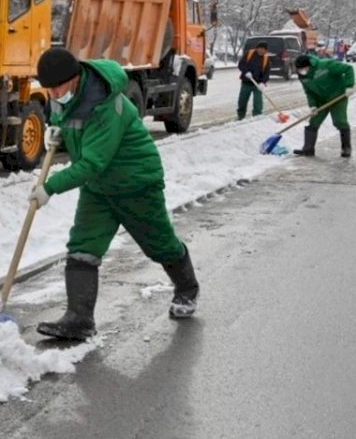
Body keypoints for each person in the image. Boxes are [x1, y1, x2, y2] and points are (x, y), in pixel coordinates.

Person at [29, 47, 200, 341]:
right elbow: (73, 127)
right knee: (83, 245)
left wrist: (50, 188)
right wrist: (57, 131)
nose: (54, 94)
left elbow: (92, 162)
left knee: (159, 245)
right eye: (49, 89)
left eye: (58, 86)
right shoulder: (65, 95)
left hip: (136, 184)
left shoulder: (106, 106)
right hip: (99, 189)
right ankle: (79, 319)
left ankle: (187, 289)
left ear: (75, 78)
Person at [293, 54, 355, 158]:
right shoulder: (303, 78)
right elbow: (309, 92)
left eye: (303, 68)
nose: (301, 71)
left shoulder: (326, 65)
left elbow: (348, 68)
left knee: (340, 121)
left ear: (310, 65)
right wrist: (312, 105)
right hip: (321, 100)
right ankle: (308, 149)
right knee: (313, 122)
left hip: (338, 96)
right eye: (299, 69)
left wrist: (349, 85)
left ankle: (346, 148)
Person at [236, 41, 270, 120]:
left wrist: (263, 82)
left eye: (263, 49)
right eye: (260, 48)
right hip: (246, 82)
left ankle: (257, 117)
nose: (261, 51)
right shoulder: (249, 53)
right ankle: (240, 116)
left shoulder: (266, 58)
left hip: (257, 84)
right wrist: (246, 72)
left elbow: (267, 72)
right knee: (242, 100)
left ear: (265, 51)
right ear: (257, 48)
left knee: (258, 102)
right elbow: (241, 64)